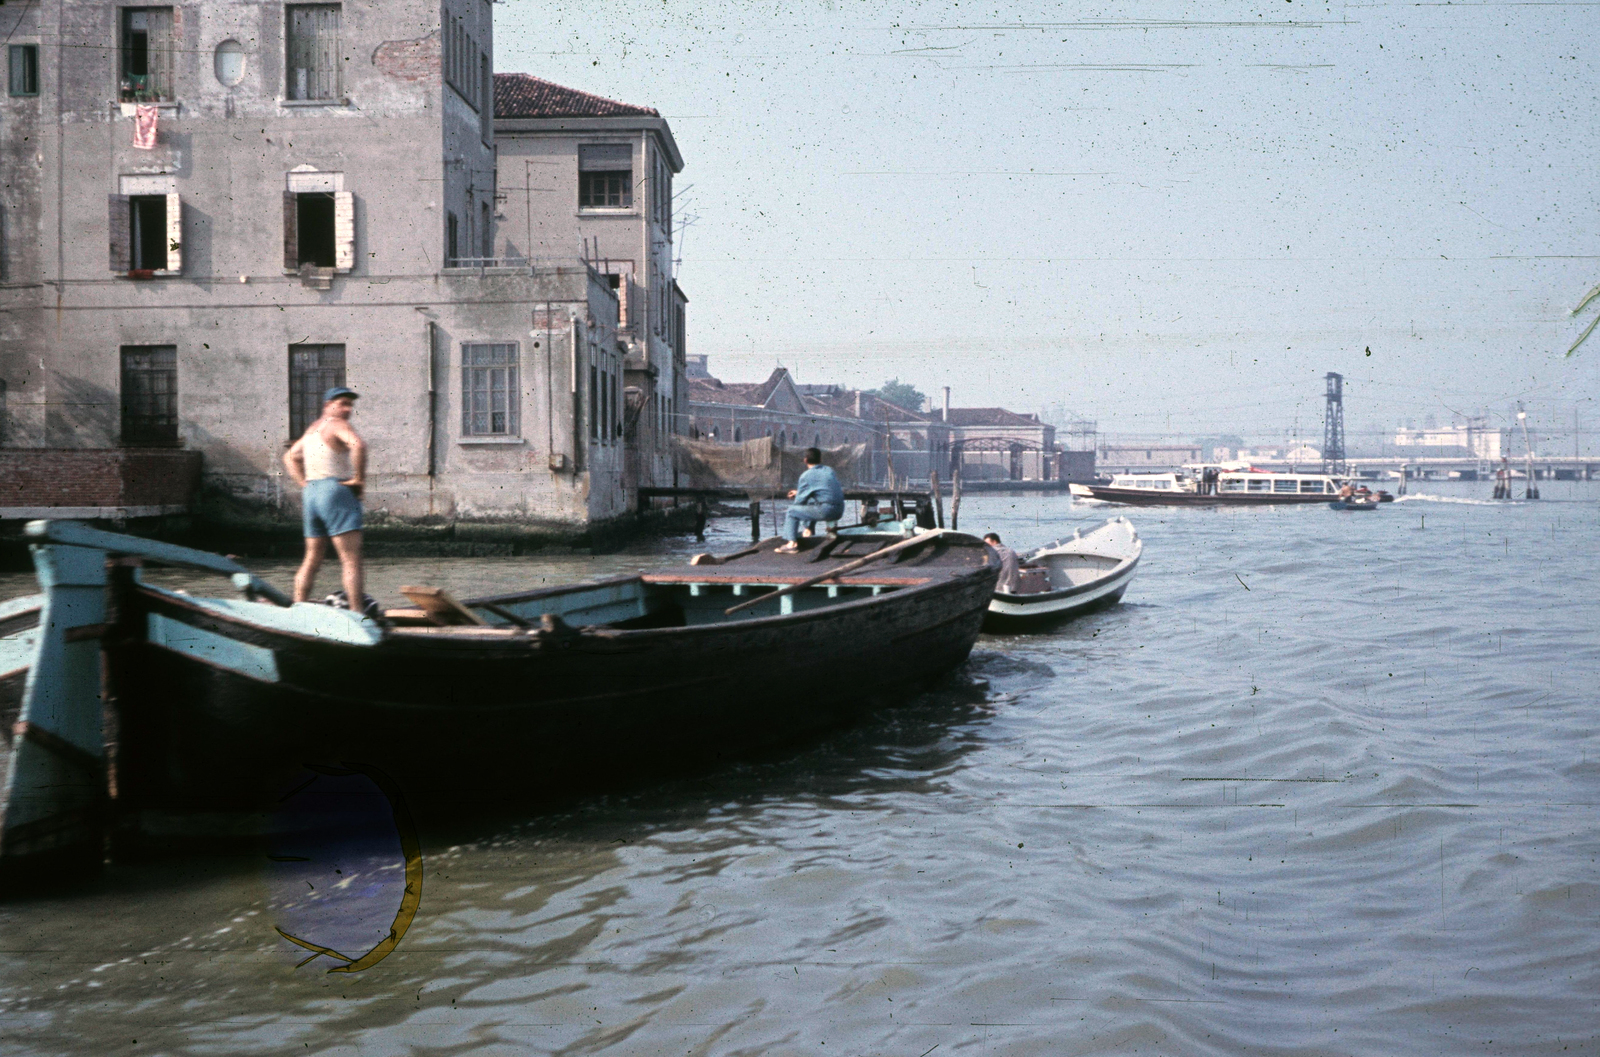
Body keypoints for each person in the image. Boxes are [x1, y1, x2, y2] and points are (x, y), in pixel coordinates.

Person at [283, 386, 368, 608]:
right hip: (335, 490)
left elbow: (290, 456)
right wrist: (359, 479)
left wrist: (304, 483)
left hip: (312, 494)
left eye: (350, 405)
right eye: (342, 403)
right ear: (327, 405)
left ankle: (297, 609)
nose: (348, 409)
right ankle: (359, 615)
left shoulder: (312, 429)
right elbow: (358, 445)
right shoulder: (337, 424)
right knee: (351, 559)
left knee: (311, 559)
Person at [775, 448, 845, 553]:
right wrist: (799, 492)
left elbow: (799, 502)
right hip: (839, 510)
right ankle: (807, 530)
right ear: (820, 459)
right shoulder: (829, 470)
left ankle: (791, 544)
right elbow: (823, 489)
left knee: (791, 511)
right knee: (812, 500)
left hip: (827, 511)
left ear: (805, 460)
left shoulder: (806, 476)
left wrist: (799, 496)